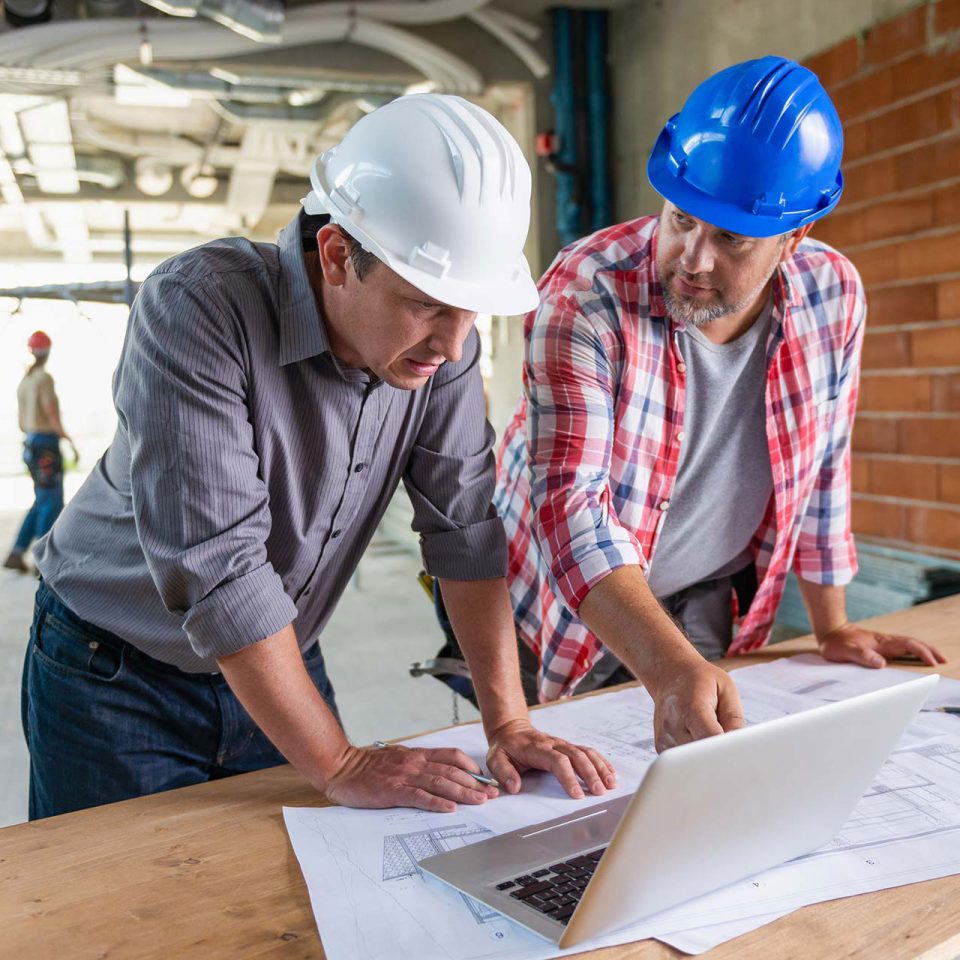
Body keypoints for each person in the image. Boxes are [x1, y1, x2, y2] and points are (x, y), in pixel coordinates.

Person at [23, 94, 616, 821]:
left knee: (291, 908)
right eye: (428, 303)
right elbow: (221, 568)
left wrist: (510, 723)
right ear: (337, 254)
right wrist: (338, 763)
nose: (454, 344)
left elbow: (463, 530)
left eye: (472, 313)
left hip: (280, 653)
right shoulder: (197, 309)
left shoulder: (440, 351)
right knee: (108, 916)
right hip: (113, 672)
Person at [493, 57, 946, 751]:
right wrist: (669, 665)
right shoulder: (586, 294)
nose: (692, 259)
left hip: (704, 591)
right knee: (549, 790)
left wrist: (832, 625)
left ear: (794, 236)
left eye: (731, 237)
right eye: (681, 218)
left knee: (694, 771)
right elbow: (572, 505)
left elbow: (826, 465)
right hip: (552, 603)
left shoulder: (834, 294)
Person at [4, 331, 78, 573]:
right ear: (48, 351)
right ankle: (42, 559)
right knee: (52, 501)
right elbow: (49, 411)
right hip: (45, 444)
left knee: (41, 500)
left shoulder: (25, 380)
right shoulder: (44, 378)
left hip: (30, 442)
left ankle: (17, 552)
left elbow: (21, 420)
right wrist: (67, 437)